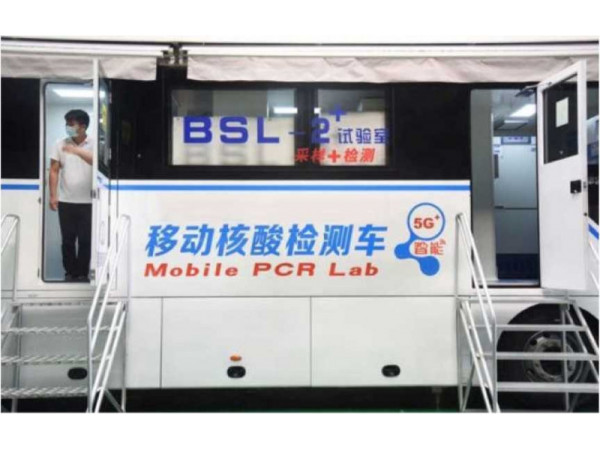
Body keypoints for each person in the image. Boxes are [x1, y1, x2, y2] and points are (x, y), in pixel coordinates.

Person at [49, 110, 94, 281]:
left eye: (71, 124)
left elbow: (95, 161)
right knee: (67, 240)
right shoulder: (59, 144)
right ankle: (70, 272)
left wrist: (76, 151)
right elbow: (54, 170)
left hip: (89, 201)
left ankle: (82, 273)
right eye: (66, 124)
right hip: (66, 201)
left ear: (83, 126)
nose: (67, 127)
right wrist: (53, 196)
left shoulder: (95, 143)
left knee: (85, 240)